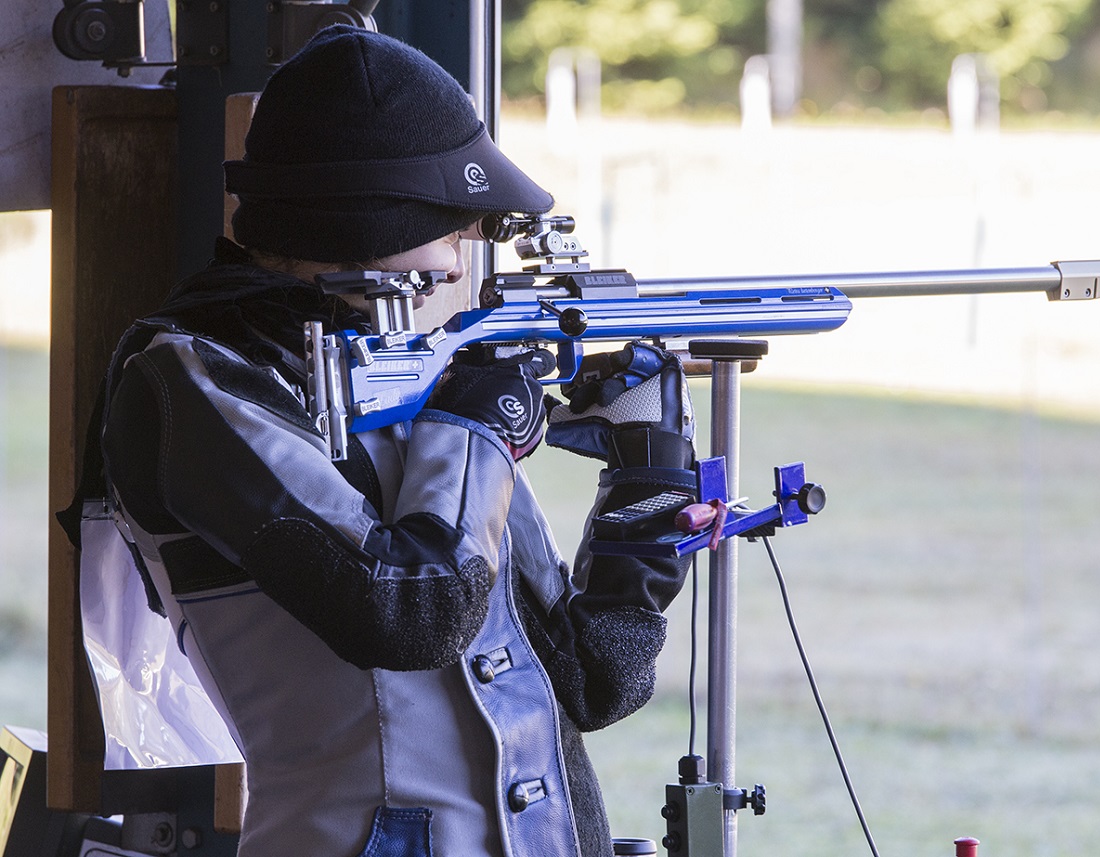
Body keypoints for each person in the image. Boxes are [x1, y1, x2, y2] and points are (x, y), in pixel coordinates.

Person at [97, 25, 696, 857]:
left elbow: (595, 676)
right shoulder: (194, 381)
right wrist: (478, 426)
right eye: (453, 227)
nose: (461, 263)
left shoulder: (415, 385)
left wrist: (649, 466)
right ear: (374, 224)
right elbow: (407, 610)